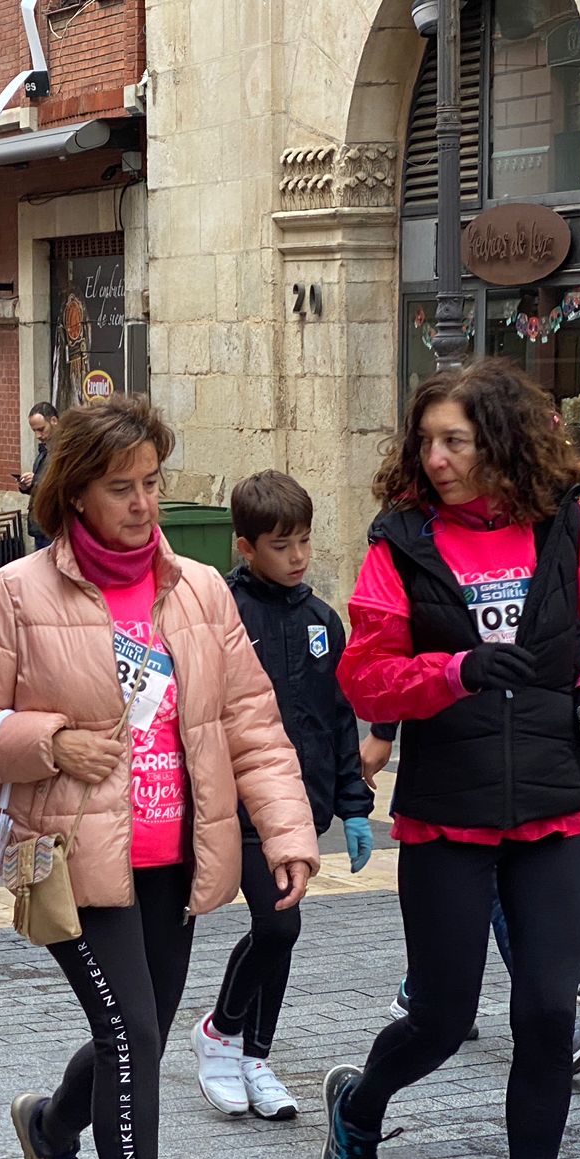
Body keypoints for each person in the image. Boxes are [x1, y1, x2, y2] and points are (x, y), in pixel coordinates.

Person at [0, 395, 319, 1159]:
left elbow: (251, 724)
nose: (144, 504)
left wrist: (288, 833)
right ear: (75, 491)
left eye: (153, 483)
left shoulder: (200, 592)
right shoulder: (16, 594)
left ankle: (50, 1124)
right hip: (72, 866)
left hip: (178, 865)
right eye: (122, 487)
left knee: (126, 1038)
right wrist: (47, 741)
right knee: (135, 1039)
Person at [321, 359, 580, 1159]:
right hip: (448, 812)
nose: (436, 458)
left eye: (457, 441)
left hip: (557, 805)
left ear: (501, 444)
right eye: (427, 440)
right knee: (442, 1018)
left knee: (548, 1015)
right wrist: (451, 673)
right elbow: (365, 676)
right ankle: (359, 1107)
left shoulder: (565, 527)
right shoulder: (400, 542)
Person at [188, 471, 373, 1122]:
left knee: (282, 935)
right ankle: (218, 1032)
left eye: (304, 543)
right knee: (278, 922)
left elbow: (339, 715)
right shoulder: (222, 612)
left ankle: (254, 1056)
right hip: (236, 806)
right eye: (281, 545)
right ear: (245, 546)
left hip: (303, 805)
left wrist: (353, 804)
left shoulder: (324, 620)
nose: (297, 558)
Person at [21, 401, 58, 548]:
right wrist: (26, 485)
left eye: (41, 429)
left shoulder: (65, 449)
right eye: (34, 431)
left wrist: (35, 479)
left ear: (54, 421)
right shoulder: (45, 449)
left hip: (54, 526)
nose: (38, 435)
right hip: (41, 525)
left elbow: (63, 483)